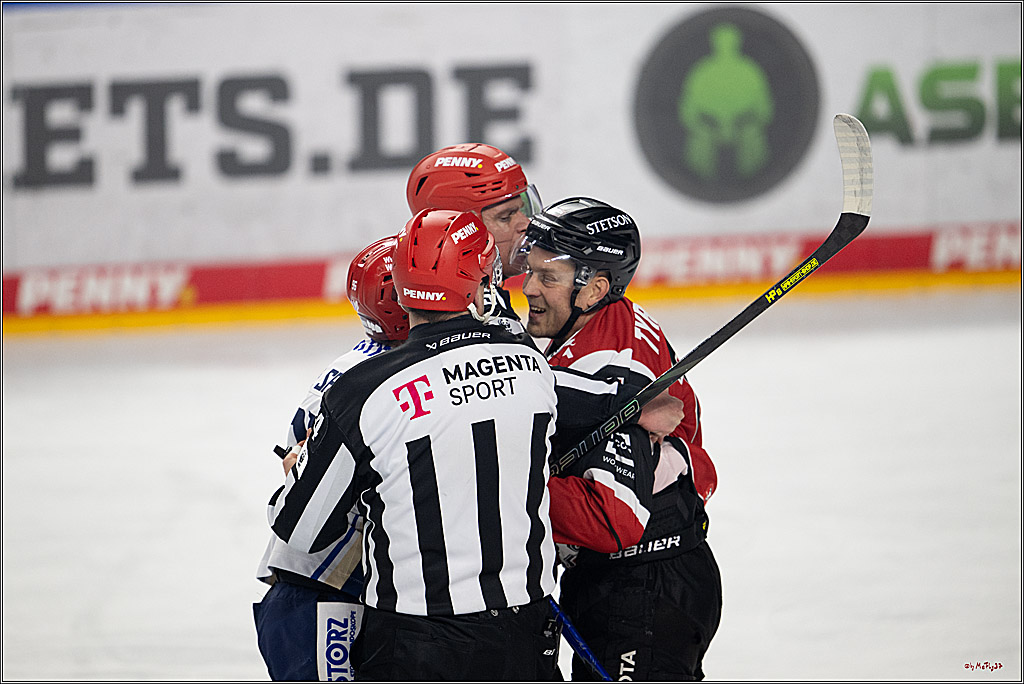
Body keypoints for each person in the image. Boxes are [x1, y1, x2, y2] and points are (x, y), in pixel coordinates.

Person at [269, 208, 567, 681]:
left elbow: (301, 529)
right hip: (524, 629)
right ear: (477, 283)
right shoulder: (531, 364)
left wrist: (307, 465)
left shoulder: (361, 391)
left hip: (417, 643)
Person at [511, 196, 722, 681]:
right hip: (645, 579)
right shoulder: (603, 326)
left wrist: (503, 481)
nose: (530, 288)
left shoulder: (615, 365)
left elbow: (613, 520)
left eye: (549, 277)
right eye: (533, 271)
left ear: (594, 289)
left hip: (643, 589)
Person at [253, 235, 409, 681]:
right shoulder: (383, 382)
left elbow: (293, 457)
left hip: (315, 586)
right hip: (321, 589)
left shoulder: (353, 364)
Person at [405, 142, 542, 334]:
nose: (526, 224)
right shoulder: (476, 318)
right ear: (458, 230)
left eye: (522, 209)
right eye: (505, 217)